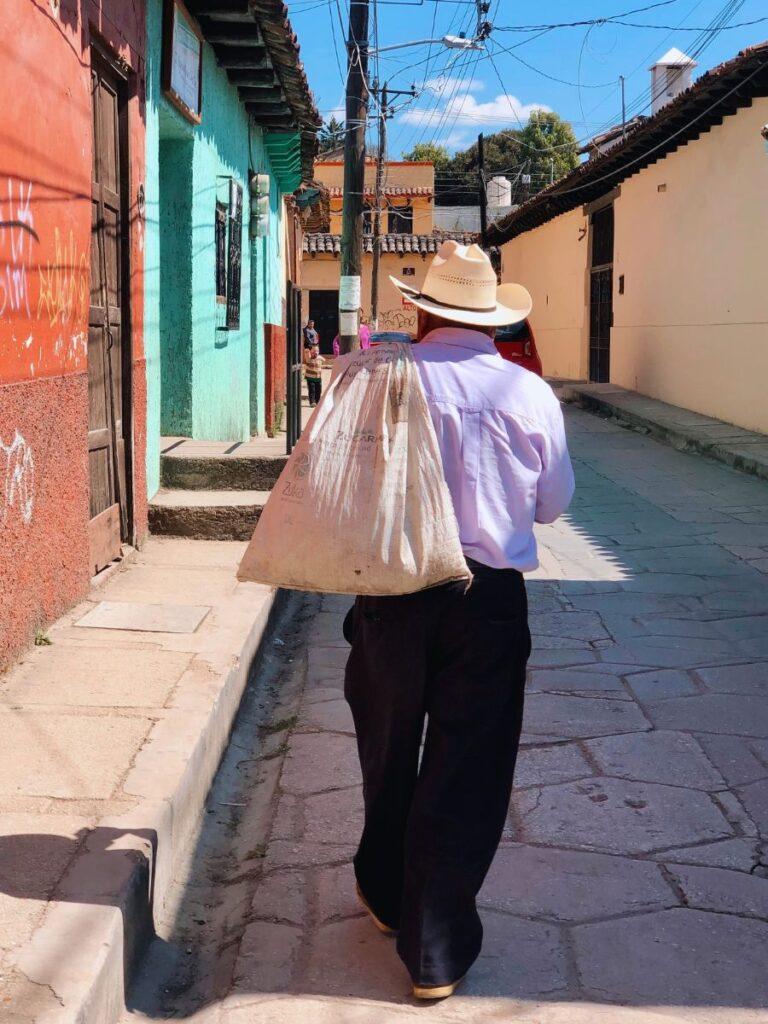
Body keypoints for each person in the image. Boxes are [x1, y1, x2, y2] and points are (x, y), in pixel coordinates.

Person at [342, 241, 574, 1000]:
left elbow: (343, 484)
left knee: (386, 745)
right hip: (489, 604)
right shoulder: (529, 393)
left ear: (420, 307)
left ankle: (382, 890)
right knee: (466, 766)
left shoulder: (379, 383)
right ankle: (434, 953)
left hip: (395, 590)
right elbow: (552, 505)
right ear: (493, 318)